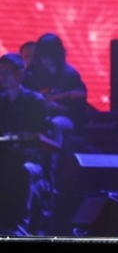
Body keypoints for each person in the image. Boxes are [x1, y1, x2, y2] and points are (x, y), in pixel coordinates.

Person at [0, 53, 53, 235]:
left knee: (21, 171)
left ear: (20, 73)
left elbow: (42, 138)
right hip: (5, 157)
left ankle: (20, 226)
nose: (3, 77)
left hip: (30, 159)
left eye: (7, 72)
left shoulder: (34, 101)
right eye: (0, 73)